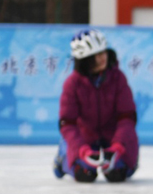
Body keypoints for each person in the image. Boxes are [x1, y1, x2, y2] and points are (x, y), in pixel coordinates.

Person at [53, 29, 139, 183]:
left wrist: (118, 145)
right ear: (84, 59)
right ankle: (63, 159)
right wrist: (82, 150)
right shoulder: (72, 84)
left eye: (103, 52)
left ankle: (124, 158)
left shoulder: (118, 78)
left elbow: (127, 117)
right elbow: (67, 123)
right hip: (84, 139)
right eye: (96, 56)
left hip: (113, 138)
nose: (102, 59)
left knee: (117, 174)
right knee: (84, 174)